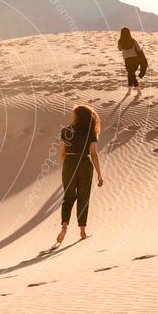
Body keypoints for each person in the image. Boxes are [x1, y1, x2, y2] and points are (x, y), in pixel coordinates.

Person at [55, 105, 104, 245]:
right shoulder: (90, 132)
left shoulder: (66, 131)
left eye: (73, 114)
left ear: (77, 116)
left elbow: (62, 153)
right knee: (84, 196)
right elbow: (94, 154)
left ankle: (64, 226)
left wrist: (66, 168)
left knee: (68, 197)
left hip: (70, 162)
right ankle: (82, 231)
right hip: (84, 163)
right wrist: (99, 175)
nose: (71, 115)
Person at [117, 27, 146, 97]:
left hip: (128, 60)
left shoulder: (120, 41)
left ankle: (139, 91)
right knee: (130, 74)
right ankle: (129, 91)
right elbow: (139, 49)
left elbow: (119, 49)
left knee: (131, 74)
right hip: (136, 60)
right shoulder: (133, 40)